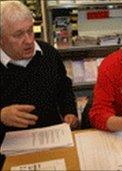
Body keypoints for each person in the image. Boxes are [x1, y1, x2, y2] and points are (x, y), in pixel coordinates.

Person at [0, 1, 79, 145]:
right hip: (9, 148)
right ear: (1, 39)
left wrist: (70, 112)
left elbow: (64, 88)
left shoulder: (48, 53)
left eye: (30, 30)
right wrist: (1, 116)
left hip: (52, 138)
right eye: (18, 35)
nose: (29, 40)